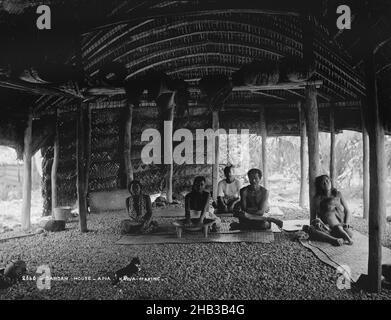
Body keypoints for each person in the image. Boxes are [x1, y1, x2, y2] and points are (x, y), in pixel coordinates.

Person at [303, 175, 353, 246]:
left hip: (340, 226)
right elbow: (313, 219)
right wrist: (317, 224)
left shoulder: (338, 194)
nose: (326, 183)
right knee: (311, 230)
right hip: (326, 228)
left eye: (327, 180)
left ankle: (335, 237)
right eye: (323, 182)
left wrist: (346, 223)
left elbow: (347, 211)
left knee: (348, 233)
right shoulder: (317, 198)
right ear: (320, 186)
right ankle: (334, 240)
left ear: (330, 181)